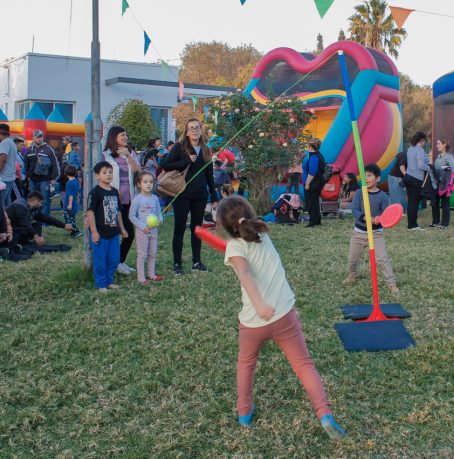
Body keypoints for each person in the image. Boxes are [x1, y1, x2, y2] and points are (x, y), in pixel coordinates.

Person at [217, 195, 346, 439]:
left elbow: (244, 273)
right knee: (304, 365)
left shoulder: (234, 246)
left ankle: (244, 413)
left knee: (246, 364)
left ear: (224, 224)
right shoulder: (262, 235)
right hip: (284, 314)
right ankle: (324, 414)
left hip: (254, 321)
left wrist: (259, 304)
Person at [161, 118, 218, 275]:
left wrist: (214, 196)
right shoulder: (180, 147)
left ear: (201, 130)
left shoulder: (206, 150)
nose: (194, 130)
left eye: (197, 127)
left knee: (197, 229)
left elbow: (209, 175)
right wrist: (186, 160)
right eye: (191, 128)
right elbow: (165, 165)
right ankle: (177, 263)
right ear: (186, 132)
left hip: (200, 195)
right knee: (179, 228)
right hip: (182, 194)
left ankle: (197, 262)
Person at [343, 163, 399, 293]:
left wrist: (378, 220)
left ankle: (391, 283)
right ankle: (353, 275)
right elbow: (355, 210)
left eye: (369, 176)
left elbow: (386, 216)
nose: (366, 178)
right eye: (364, 176)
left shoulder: (384, 197)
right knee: (352, 258)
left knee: (382, 258)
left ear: (378, 178)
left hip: (375, 233)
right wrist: (365, 218)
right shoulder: (359, 193)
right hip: (358, 233)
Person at [102, 126, 141, 275]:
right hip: (112, 200)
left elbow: (138, 171)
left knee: (129, 233)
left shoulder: (129, 152)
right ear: (114, 137)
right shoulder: (106, 155)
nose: (126, 137)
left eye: (126, 134)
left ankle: (120, 262)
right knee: (113, 233)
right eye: (122, 135)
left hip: (129, 199)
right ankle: (111, 264)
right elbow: (101, 175)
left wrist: (129, 156)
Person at [87, 162, 129, 292]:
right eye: (104, 172)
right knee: (100, 260)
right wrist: (94, 232)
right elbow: (90, 212)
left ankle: (109, 281)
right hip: (100, 233)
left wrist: (122, 229)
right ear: (97, 176)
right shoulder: (95, 193)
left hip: (113, 233)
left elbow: (118, 212)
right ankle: (101, 284)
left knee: (114, 259)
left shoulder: (115, 191)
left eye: (110, 172)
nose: (108, 174)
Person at [129, 171, 164, 284]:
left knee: (153, 253)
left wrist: (160, 219)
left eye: (151, 182)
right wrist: (143, 227)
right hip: (142, 232)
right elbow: (132, 216)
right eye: (145, 182)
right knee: (142, 254)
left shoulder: (154, 198)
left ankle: (151, 274)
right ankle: (141, 278)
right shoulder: (137, 199)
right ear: (139, 184)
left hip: (154, 231)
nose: (148, 184)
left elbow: (159, 211)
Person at [6, 191, 75, 245]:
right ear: (35, 201)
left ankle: (31, 241)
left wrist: (63, 225)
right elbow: (26, 224)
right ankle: (28, 242)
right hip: (8, 231)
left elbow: (46, 218)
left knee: (38, 224)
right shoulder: (19, 207)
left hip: (18, 227)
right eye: (40, 202)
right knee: (25, 229)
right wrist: (36, 236)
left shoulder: (32, 208)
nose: (41, 205)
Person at [24, 130, 59, 216]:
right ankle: (34, 217)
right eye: (37, 137)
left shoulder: (48, 149)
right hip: (32, 179)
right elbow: (26, 164)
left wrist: (53, 178)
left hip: (45, 179)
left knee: (45, 199)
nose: (39, 139)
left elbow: (55, 164)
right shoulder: (29, 149)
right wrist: (28, 176)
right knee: (33, 199)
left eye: (41, 137)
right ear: (33, 138)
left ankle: (45, 221)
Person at [404, 132, 429, 230]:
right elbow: (421, 165)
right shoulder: (420, 150)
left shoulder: (410, 148)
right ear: (422, 140)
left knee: (410, 202)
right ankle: (413, 225)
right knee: (415, 202)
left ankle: (410, 223)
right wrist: (429, 168)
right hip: (416, 179)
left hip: (408, 177)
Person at [430, 139, 454, 228]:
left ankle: (445, 224)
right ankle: (435, 222)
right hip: (437, 183)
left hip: (445, 184)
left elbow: (453, 169)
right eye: (437, 143)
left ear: (444, 144)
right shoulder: (438, 156)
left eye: (439, 143)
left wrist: (442, 170)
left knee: (445, 203)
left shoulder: (449, 156)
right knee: (435, 202)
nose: (437, 145)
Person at [302, 139, 325, 227]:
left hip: (312, 184)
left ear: (310, 147)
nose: (307, 147)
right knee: (314, 202)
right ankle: (316, 221)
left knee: (311, 203)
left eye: (308, 146)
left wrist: (307, 183)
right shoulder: (318, 155)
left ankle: (313, 222)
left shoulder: (314, 157)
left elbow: (312, 172)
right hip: (315, 183)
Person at [0, 124, 19, 208]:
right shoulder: (12, 142)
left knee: (2, 204)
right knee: (8, 203)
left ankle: (4, 220)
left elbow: (3, 159)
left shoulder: (4, 143)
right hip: (10, 177)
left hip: (4, 178)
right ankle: (10, 220)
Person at [62, 165, 82, 238]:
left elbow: (70, 195)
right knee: (72, 218)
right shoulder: (76, 181)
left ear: (66, 173)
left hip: (69, 204)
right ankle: (75, 230)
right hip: (74, 203)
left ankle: (75, 231)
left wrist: (69, 205)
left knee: (68, 219)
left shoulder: (69, 183)